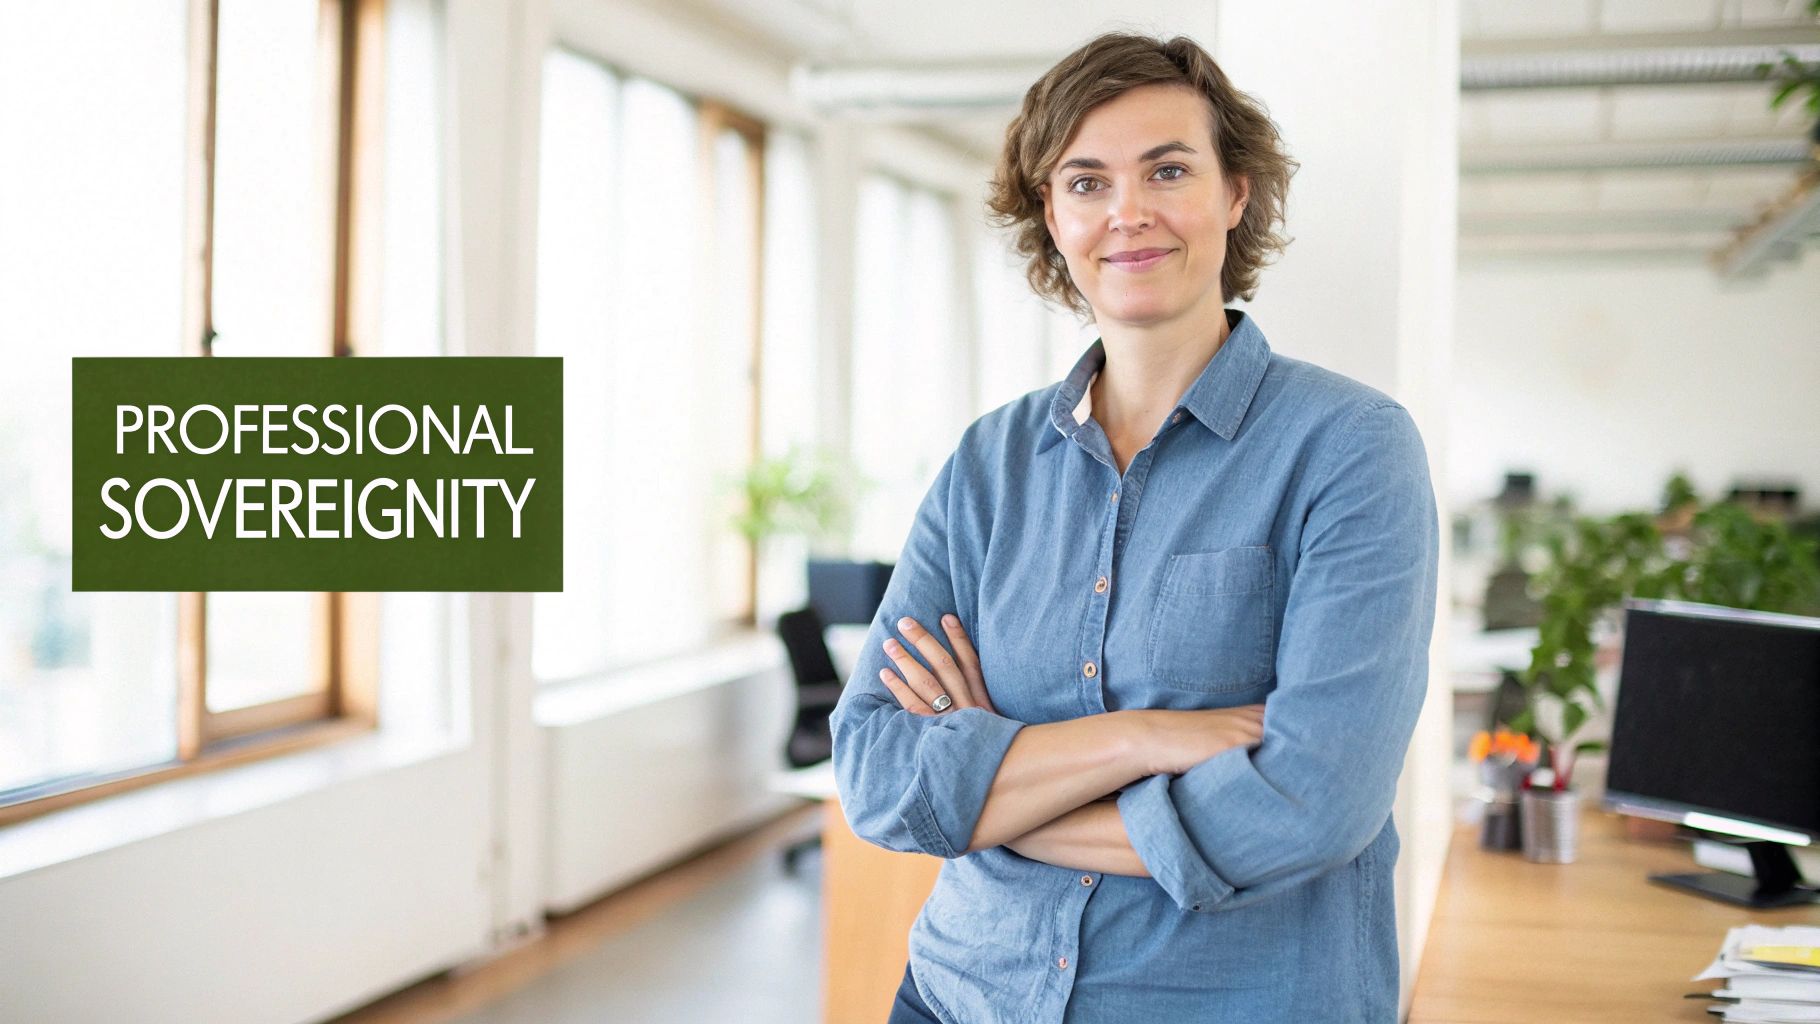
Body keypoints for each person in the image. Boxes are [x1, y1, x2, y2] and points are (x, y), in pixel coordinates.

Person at [829, 31, 1438, 1024]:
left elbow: (1312, 801)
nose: (1127, 214)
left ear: (1235, 193)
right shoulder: (989, 464)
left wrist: (996, 796)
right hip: (960, 995)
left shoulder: (1350, 451)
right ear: (1050, 216)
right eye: (1085, 181)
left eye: (1166, 169)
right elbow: (874, 772)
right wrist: (1148, 737)